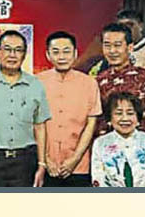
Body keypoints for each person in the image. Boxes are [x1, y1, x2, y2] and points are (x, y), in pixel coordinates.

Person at [0, 31, 50, 187]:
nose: (12, 55)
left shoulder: (35, 84)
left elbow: (40, 126)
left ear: (24, 54)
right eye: (7, 49)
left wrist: (42, 164)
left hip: (24, 162)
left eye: (18, 50)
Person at [37, 31, 103, 188]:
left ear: (75, 53)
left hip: (79, 165)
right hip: (45, 165)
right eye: (56, 52)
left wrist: (75, 158)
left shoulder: (89, 83)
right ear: (48, 55)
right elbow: (33, 124)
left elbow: (91, 124)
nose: (61, 57)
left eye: (66, 51)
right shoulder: (37, 82)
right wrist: (46, 159)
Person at [91, 92, 145, 187]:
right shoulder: (100, 143)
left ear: (138, 118)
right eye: (118, 113)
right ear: (109, 119)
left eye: (130, 113)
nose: (125, 118)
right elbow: (99, 178)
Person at [96, 23, 145, 138]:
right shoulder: (98, 81)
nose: (112, 51)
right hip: (106, 146)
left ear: (130, 47)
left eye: (117, 45)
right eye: (107, 45)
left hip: (140, 145)